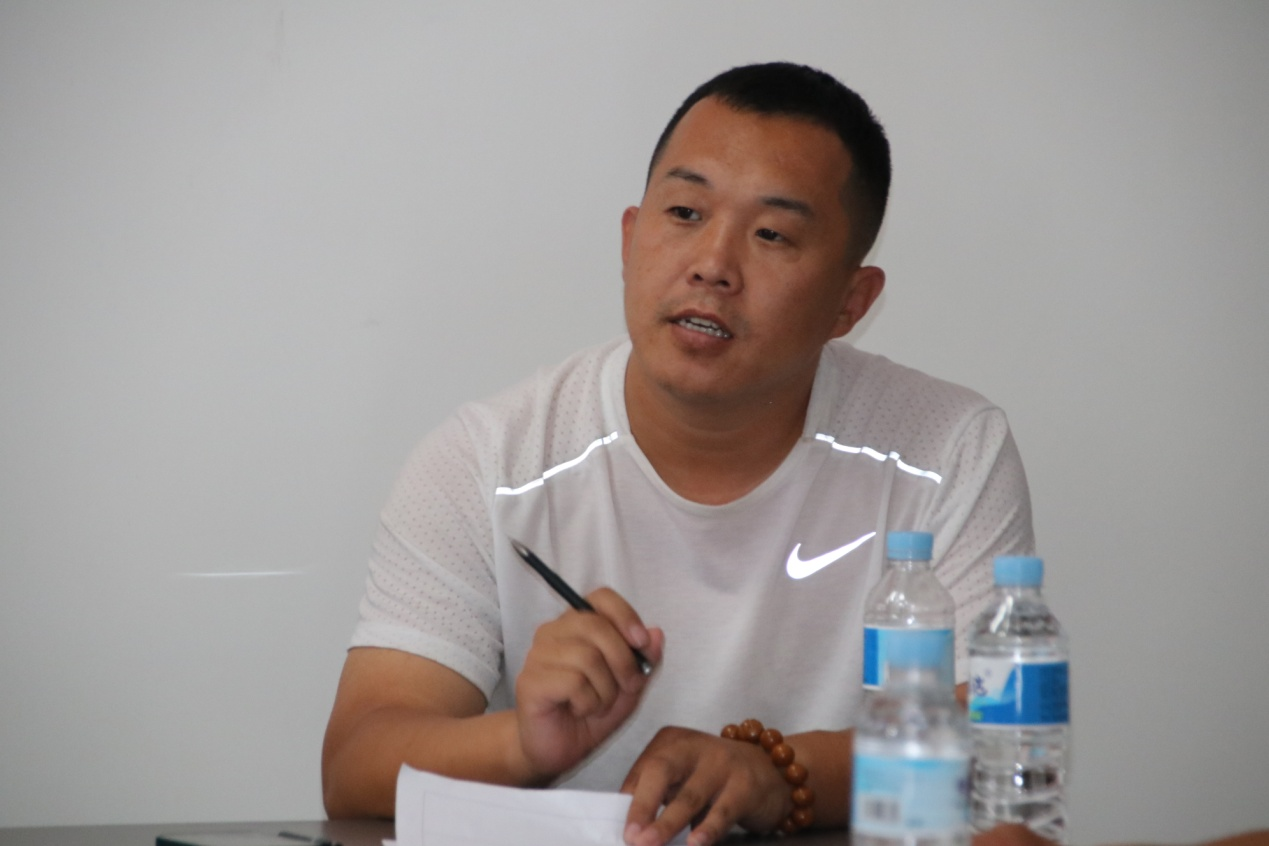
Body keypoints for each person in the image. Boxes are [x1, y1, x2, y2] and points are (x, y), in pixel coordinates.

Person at [321, 61, 1033, 846]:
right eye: (685, 213)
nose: (712, 265)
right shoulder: (489, 461)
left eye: (771, 235)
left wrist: (777, 774)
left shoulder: (945, 450)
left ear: (850, 302)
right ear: (630, 240)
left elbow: (999, 743)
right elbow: (356, 761)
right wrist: (521, 744)